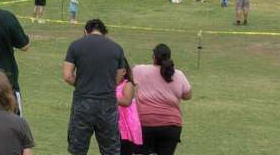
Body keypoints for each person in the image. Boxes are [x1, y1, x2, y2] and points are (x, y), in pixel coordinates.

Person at [62, 18, 125, 155]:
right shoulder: (116, 48)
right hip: (107, 102)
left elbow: (67, 75)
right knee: (110, 150)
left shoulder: (76, 45)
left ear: (85, 31)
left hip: (83, 102)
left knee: (78, 149)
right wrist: (107, 85)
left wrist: (82, 84)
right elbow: (120, 75)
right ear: (105, 33)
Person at [132, 44, 191, 155]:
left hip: (145, 123)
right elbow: (187, 96)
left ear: (153, 56)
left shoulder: (139, 70)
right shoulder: (178, 74)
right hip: (171, 125)